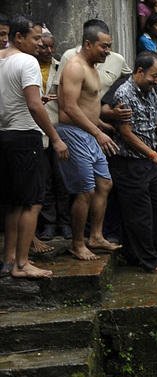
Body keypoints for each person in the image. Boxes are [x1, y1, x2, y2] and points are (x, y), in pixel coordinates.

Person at [0, 14, 69, 277]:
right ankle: (22, 263)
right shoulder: (27, 61)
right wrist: (55, 137)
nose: (40, 43)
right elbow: (33, 104)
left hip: (4, 135)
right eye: (36, 37)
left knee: (14, 203)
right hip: (25, 135)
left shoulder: (2, 58)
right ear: (19, 37)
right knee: (30, 202)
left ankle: (9, 260)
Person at [109, 51, 157, 273]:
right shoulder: (124, 94)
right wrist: (153, 154)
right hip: (130, 162)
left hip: (150, 161)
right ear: (140, 71)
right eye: (154, 75)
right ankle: (149, 260)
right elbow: (126, 135)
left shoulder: (151, 91)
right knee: (139, 214)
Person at [57, 19, 122, 260]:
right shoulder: (75, 67)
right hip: (74, 133)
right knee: (85, 191)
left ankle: (95, 236)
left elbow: (88, 105)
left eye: (109, 46)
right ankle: (77, 244)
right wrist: (97, 132)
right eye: (104, 46)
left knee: (104, 184)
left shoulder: (92, 67)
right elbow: (69, 108)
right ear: (88, 43)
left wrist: (100, 124)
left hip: (90, 132)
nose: (108, 51)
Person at [36, 29, 72, 244]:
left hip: (59, 130)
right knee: (45, 180)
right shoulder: (28, 66)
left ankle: (65, 222)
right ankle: (49, 223)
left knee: (63, 179)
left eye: (51, 47)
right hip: (37, 131)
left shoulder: (62, 67)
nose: (48, 51)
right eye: (43, 47)